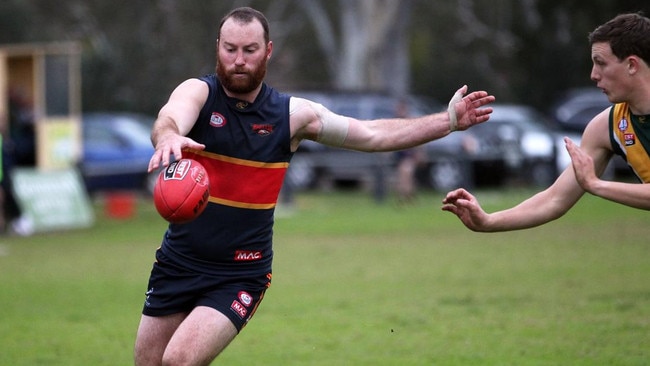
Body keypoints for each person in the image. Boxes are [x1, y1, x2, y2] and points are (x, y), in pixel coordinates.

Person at [135, 7, 495, 365]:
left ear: (268, 51)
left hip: (238, 273)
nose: (238, 60)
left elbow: (371, 134)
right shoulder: (199, 94)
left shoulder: (291, 116)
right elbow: (170, 116)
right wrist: (168, 136)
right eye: (230, 49)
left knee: (178, 361)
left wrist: (447, 121)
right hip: (178, 262)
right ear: (217, 47)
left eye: (250, 50)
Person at [442, 12, 650, 233]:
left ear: (631, 65)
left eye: (601, 64)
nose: (593, 75)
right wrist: (489, 220)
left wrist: (597, 185)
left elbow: (591, 183)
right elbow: (555, 199)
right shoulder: (608, 125)